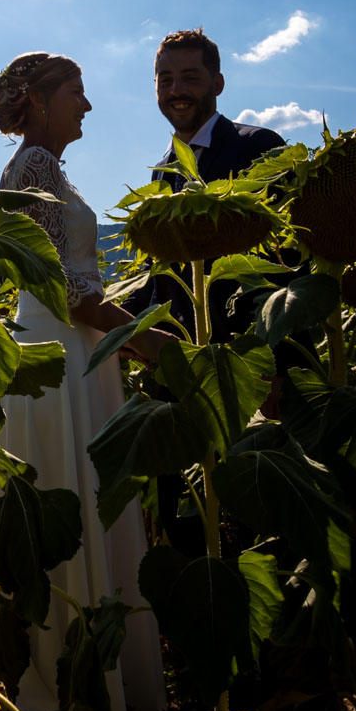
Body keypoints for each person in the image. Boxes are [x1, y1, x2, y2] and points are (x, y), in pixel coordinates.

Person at [0, 51, 171, 711]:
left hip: (77, 356)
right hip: (58, 360)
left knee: (91, 506)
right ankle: (72, 693)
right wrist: (156, 342)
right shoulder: (32, 166)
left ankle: (92, 683)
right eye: (76, 91)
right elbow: (69, 295)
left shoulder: (48, 169)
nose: (87, 104)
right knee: (78, 511)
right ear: (35, 99)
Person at [124, 27, 285, 553]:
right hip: (178, 372)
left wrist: (276, 365)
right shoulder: (165, 169)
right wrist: (112, 321)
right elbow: (161, 276)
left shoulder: (257, 147)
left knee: (259, 524)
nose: (176, 90)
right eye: (164, 79)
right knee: (188, 524)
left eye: (189, 77)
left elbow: (285, 266)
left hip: (244, 370)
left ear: (217, 81)